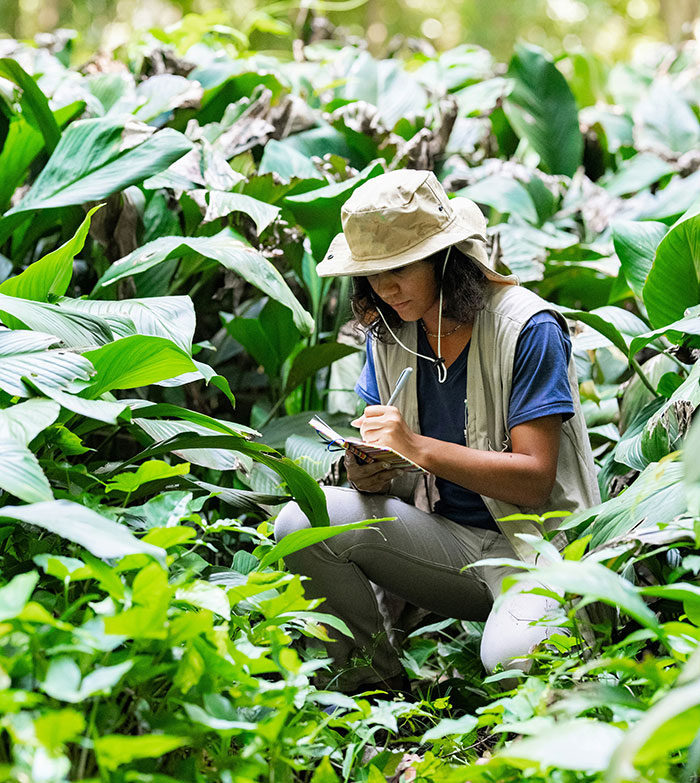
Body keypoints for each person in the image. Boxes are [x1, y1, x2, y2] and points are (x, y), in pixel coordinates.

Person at [274, 169, 599, 694]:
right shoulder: (388, 335)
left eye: (399, 267)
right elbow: (391, 467)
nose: (384, 287)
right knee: (302, 523)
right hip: (445, 543)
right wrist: (371, 472)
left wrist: (416, 446)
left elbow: (536, 480)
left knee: (517, 661)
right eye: (372, 273)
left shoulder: (527, 328)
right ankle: (373, 693)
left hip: (535, 550)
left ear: (444, 258)